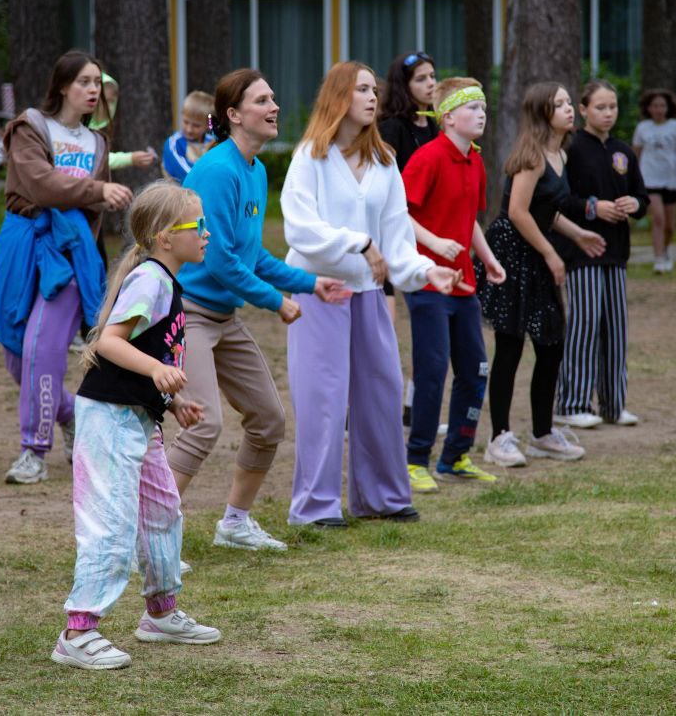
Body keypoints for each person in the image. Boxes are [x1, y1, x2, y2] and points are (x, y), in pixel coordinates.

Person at [165, 68, 351, 551]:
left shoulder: (256, 169)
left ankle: (234, 523)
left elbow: (252, 257)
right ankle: (149, 535)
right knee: (203, 422)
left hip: (224, 317)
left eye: (273, 98)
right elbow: (220, 259)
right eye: (262, 100)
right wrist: (276, 302)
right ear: (232, 115)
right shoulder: (217, 170)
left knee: (269, 418)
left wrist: (311, 284)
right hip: (191, 314)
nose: (275, 107)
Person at [280, 61, 464, 528]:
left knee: (381, 391)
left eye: (374, 90)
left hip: (366, 293)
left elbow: (396, 238)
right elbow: (301, 229)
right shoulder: (310, 157)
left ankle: (382, 497)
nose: (371, 98)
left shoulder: (384, 162)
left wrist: (428, 271)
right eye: (362, 89)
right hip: (320, 290)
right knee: (323, 398)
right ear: (339, 96)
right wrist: (357, 243)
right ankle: (316, 507)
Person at [52, 182, 221, 671]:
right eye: (199, 226)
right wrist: (156, 373)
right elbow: (109, 342)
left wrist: (172, 401)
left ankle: (160, 612)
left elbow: (151, 354)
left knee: (163, 510)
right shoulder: (151, 279)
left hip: (138, 418)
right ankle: (77, 632)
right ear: (166, 237)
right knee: (111, 524)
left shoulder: (168, 282)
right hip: (108, 419)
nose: (207, 234)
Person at [0, 50, 132, 483]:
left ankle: (33, 451)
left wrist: (89, 254)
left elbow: (92, 215)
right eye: (84, 81)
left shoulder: (98, 144)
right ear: (62, 85)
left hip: (69, 253)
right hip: (23, 242)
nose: (93, 90)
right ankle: (69, 414)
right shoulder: (30, 127)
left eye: (97, 83)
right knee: (16, 351)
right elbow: (40, 186)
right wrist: (97, 188)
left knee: (44, 349)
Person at [478, 83, 605, 468]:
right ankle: (498, 437)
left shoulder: (560, 154)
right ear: (542, 113)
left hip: (537, 251)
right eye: (561, 104)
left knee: (551, 345)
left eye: (569, 103)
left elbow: (546, 210)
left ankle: (542, 433)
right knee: (511, 345)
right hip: (513, 253)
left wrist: (577, 233)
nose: (569, 109)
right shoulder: (532, 156)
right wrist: (551, 253)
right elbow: (517, 211)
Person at [401, 76, 506, 492]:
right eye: (472, 108)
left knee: (475, 370)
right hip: (428, 284)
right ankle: (415, 460)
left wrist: (490, 260)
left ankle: (455, 456)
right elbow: (400, 217)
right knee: (432, 371)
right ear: (447, 118)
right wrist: (433, 244)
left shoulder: (475, 161)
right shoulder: (427, 158)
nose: (481, 114)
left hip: (465, 288)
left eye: (483, 107)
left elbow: (470, 223)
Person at [553, 80, 648, 429]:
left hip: (616, 253)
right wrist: (595, 208)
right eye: (600, 107)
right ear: (582, 109)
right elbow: (561, 200)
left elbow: (643, 196)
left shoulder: (624, 151)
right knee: (586, 323)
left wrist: (634, 203)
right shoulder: (571, 149)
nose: (607, 114)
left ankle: (613, 404)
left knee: (616, 327)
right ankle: (573, 402)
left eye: (613, 107)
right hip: (582, 251)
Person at [378, 51, 440, 418]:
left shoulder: (433, 125)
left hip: (423, 237)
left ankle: (412, 401)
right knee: (384, 324)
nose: (430, 84)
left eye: (433, 76)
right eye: (421, 78)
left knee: (427, 323)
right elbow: (387, 185)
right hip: (389, 237)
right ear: (405, 85)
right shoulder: (392, 128)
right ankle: (368, 403)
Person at [632, 88, 676, 273]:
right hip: (649, 179)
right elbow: (636, 152)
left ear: (668, 108)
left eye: (662, 106)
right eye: (655, 106)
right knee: (658, 217)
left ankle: (666, 249)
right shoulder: (642, 128)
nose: (658, 109)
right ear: (648, 108)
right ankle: (658, 258)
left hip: (671, 179)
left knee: (669, 224)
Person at [90, 74, 158, 173]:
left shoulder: (96, 129)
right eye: (104, 101)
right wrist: (130, 158)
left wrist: (132, 158)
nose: (108, 107)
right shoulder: (79, 127)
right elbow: (96, 160)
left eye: (112, 101)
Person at [161, 90, 217, 184]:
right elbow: (183, 172)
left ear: (208, 125)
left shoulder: (212, 142)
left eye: (196, 126)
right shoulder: (173, 143)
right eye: (186, 122)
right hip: (179, 194)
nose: (189, 129)